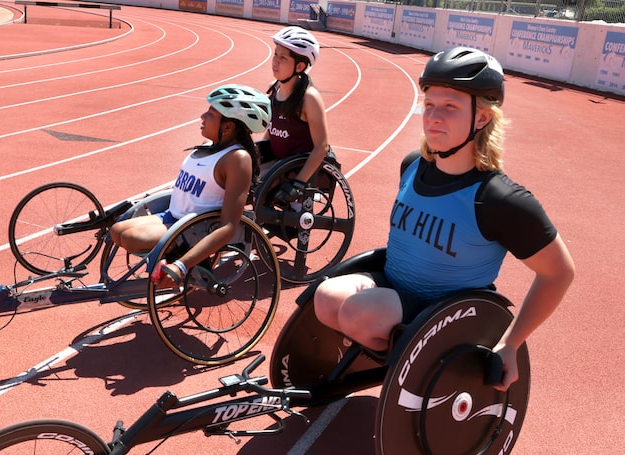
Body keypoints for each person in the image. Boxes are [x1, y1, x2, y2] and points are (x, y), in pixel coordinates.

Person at [313, 47, 574, 391]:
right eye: (430, 105)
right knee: (325, 298)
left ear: (481, 118)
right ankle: (386, 352)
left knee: (356, 313)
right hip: (393, 289)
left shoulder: (500, 199)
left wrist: (511, 343)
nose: (434, 116)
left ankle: (413, 369)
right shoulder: (412, 165)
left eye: (450, 107)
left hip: (445, 313)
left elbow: (559, 272)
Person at [109, 84, 270, 286]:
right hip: (173, 218)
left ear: (228, 127)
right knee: (117, 231)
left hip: (191, 230)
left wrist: (182, 265)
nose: (202, 117)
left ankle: (183, 261)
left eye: (210, 114)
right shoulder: (209, 148)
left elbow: (229, 226)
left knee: (131, 237)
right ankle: (171, 257)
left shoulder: (237, 159)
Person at [262, 26, 331, 199]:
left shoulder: (309, 98)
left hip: (296, 172)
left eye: (283, 57)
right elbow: (272, 130)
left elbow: (322, 147)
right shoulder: (274, 88)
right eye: (275, 54)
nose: (275, 61)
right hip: (278, 165)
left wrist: (299, 183)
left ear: (300, 66)